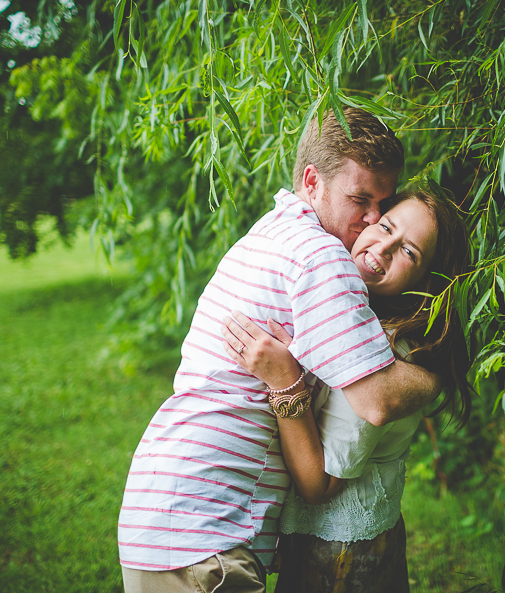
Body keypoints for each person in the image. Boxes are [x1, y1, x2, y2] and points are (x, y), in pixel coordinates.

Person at [118, 108, 443, 593]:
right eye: (361, 200)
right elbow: (377, 401)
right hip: (205, 532)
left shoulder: (271, 232)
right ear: (312, 181)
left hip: (173, 508)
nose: (373, 220)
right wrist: (445, 371)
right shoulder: (323, 258)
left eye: (382, 202)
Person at [220, 183, 473, 592]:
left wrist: (286, 383)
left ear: (428, 281)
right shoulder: (348, 310)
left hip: (340, 551)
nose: (384, 248)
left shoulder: (385, 348)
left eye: (410, 252)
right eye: (387, 226)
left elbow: (318, 484)